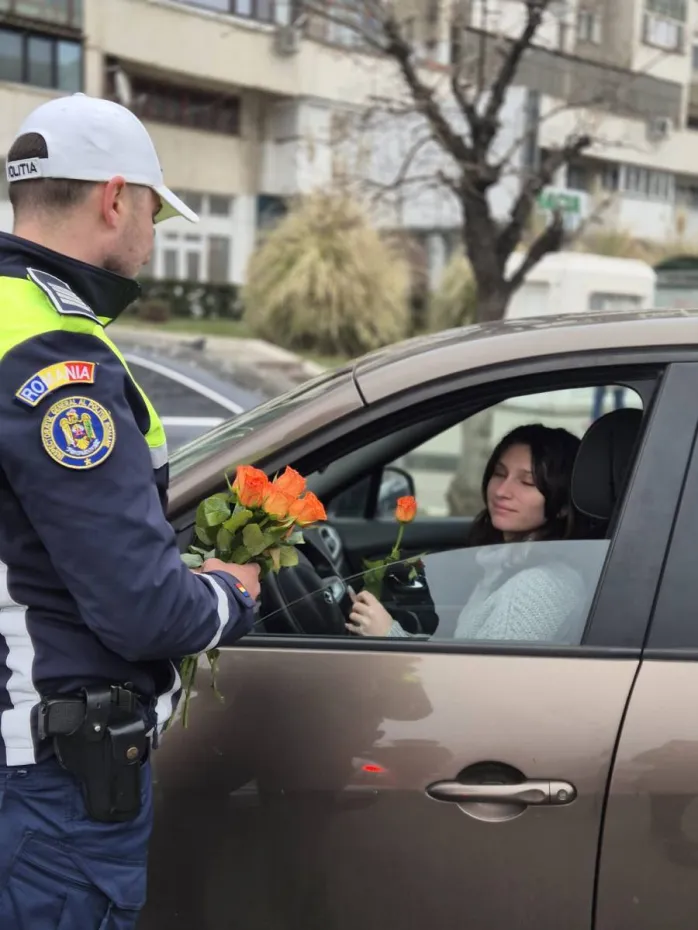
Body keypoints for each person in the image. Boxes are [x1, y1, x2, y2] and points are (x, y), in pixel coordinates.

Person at [0, 94, 261, 929]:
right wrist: (230, 593)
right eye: (154, 209)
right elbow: (142, 607)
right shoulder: (56, 353)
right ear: (115, 199)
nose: (152, 233)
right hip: (48, 785)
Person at [348, 424, 586, 642]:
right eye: (500, 474)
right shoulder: (506, 568)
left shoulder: (537, 586)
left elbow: (479, 682)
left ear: (563, 505)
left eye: (527, 483)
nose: (502, 490)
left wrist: (389, 634)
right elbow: (468, 651)